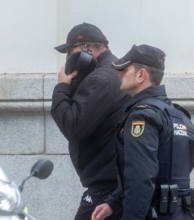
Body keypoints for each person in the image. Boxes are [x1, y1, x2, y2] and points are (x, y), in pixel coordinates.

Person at [91, 44, 194, 220]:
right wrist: (113, 202)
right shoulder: (176, 113)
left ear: (141, 75)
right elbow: (190, 150)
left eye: (124, 69)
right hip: (184, 213)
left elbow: (140, 178)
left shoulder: (142, 116)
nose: (119, 74)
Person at [51, 22, 129, 220]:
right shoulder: (115, 71)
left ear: (88, 48)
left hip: (106, 186)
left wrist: (62, 86)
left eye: (70, 51)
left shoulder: (100, 79)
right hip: (115, 182)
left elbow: (73, 126)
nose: (68, 58)